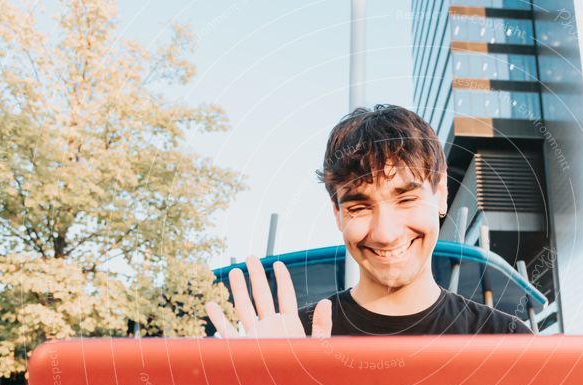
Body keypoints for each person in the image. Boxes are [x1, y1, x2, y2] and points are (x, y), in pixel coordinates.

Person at [205, 104, 533, 338]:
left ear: (442, 194)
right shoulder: (293, 341)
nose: (386, 233)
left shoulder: (506, 339)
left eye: (406, 199)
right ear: (337, 215)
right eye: (359, 208)